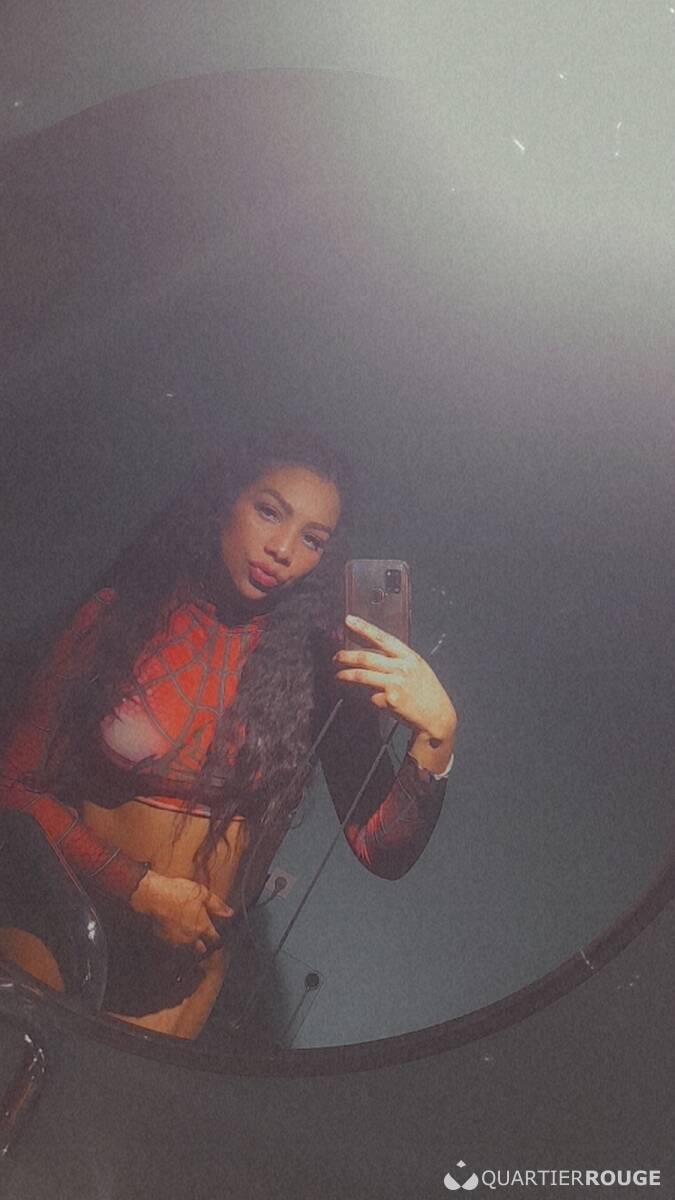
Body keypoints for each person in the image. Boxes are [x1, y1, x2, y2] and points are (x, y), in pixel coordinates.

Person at [0, 430, 458, 1039]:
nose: (282, 549)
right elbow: (12, 787)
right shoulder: (121, 616)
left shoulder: (321, 670)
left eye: (313, 539)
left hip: (175, 984)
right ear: (225, 500)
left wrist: (438, 737)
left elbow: (381, 849)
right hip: (56, 927)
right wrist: (137, 889)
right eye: (269, 511)